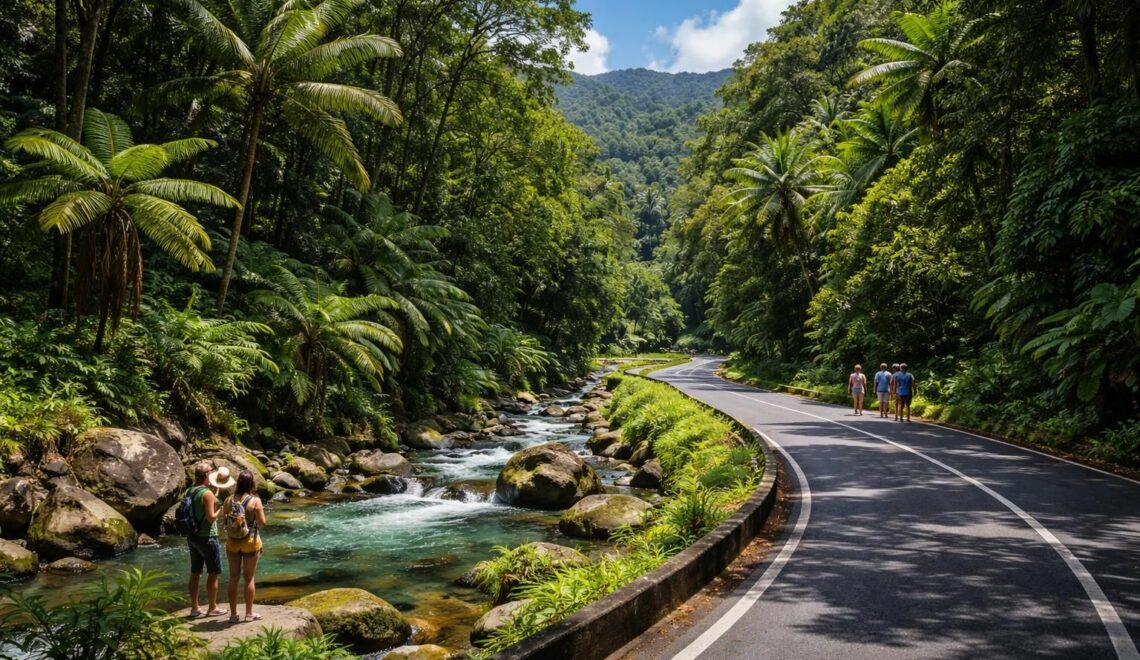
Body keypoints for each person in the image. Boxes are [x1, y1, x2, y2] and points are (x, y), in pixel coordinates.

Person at [223, 470, 266, 623]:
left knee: (233, 578)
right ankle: (248, 614)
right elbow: (262, 523)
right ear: (251, 484)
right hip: (250, 543)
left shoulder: (228, 500)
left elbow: (225, 521)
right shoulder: (255, 501)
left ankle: (233, 615)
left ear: (238, 483)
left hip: (232, 543)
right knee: (249, 578)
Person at [187, 462, 227, 618]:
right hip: (208, 537)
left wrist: (214, 494)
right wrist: (220, 510)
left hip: (192, 537)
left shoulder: (190, 491)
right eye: (212, 472)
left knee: (195, 572)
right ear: (206, 475)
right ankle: (212, 607)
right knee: (213, 573)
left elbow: (200, 505)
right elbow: (211, 518)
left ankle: (195, 608)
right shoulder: (207, 494)